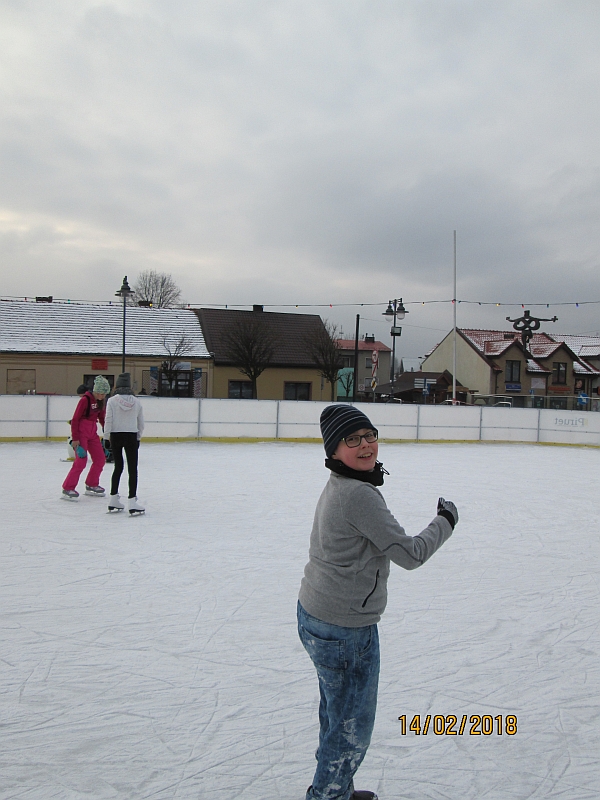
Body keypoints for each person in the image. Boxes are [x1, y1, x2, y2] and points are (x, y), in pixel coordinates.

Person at [298, 405, 459, 800]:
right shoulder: (358, 495)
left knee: (336, 714)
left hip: (316, 612)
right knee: (351, 727)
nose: (366, 444)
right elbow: (411, 554)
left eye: (369, 434)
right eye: (352, 439)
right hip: (345, 628)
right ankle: (329, 795)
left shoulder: (342, 483)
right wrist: (445, 521)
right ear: (334, 450)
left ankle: (336, 787)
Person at [62, 376, 110, 499]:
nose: (103, 397)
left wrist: (108, 433)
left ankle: (92, 484)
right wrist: (75, 439)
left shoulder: (100, 402)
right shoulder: (85, 400)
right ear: (96, 391)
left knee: (100, 459)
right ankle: (68, 487)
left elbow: (102, 418)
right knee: (81, 461)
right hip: (81, 433)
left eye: (105, 394)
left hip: (92, 433)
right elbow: (75, 419)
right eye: (101, 394)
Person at [104, 372, 145, 514]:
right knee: (132, 469)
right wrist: (138, 437)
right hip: (131, 436)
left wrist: (106, 437)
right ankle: (132, 501)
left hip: (115, 435)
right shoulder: (137, 401)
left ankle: (113, 498)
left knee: (118, 467)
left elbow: (108, 419)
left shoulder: (112, 401)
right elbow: (141, 422)